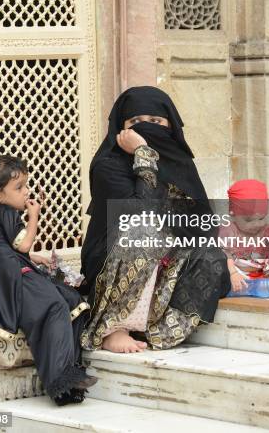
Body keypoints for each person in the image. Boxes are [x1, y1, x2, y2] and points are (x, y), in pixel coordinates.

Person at [80, 86, 231, 354]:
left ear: (170, 126)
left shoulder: (179, 162)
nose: (147, 128)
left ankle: (156, 326)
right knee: (145, 231)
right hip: (115, 257)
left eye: (156, 122)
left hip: (165, 259)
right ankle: (115, 328)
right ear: (121, 128)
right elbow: (139, 213)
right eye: (136, 123)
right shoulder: (108, 165)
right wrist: (143, 153)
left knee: (210, 258)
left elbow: (199, 221)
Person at [0, 155, 97, 405]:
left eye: (26, 185)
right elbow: (25, 241)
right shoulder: (3, 212)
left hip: (14, 270)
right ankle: (59, 381)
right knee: (54, 306)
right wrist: (34, 215)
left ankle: (70, 374)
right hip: (11, 278)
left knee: (73, 301)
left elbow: (14, 247)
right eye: (19, 188)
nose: (26, 192)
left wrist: (33, 257)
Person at [219, 179, 269, 293]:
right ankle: (234, 283)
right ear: (233, 215)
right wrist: (233, 273)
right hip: (236, 272)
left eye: (261, 218)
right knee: (218, 260)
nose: (256, 224)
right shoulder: (229, 230)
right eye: (248, 220)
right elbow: (225, 254)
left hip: (261, 272)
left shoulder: (267, 231)